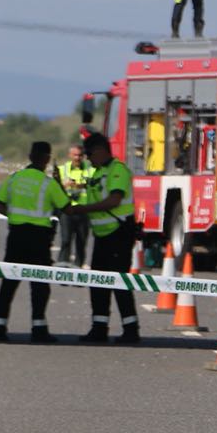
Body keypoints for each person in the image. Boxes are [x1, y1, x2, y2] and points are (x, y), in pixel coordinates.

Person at [0, 141, 73, 343]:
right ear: (46, 159)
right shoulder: (48, 183)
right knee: (39, 284)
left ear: (30, 156)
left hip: (17, 235)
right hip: (39, 238)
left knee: (9, 282)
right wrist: (60, 183)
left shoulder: (14, 179)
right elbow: (67, 207)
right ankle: (39, 328)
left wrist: (12, 216)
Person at [67, 133, 141, 344]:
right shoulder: (98, 172)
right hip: (102, 235)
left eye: (89, 153)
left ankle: (131, 329)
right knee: (98, 283)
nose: (88, 158)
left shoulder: (117, 170)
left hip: (118, 234)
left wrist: (84, 209)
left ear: (100, 150)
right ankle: (99, 328)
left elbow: (114, 200)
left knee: (119, 282)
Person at [54, 144, 93, 266]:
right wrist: (64, 185)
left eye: (80, 155)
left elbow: (93, 185)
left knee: (81, 243)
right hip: (67, 210)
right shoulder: (62, 169)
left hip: (83, 211)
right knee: (65, 241)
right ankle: (62, 268)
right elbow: (55, 188)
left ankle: (78, 270)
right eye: (75, 155)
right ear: (69, 155)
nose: (77, 158)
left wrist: (79, 185)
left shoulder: (90, 170)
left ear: (83, 156)